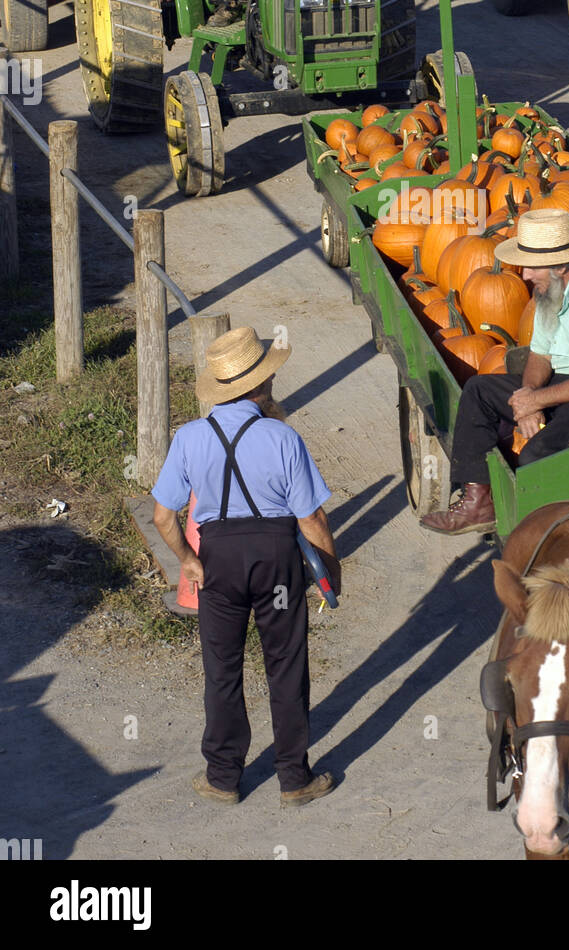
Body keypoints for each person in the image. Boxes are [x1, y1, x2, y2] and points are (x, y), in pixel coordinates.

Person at [152, 325, 340, 806]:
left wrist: (188, 561)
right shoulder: (283, 437)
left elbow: (162, 516)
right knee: (286, 665)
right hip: (275, 559)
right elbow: (312, 518)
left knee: (222, 667)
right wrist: (330, 573)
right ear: (264, 383)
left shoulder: (190, 437)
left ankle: (222, 777)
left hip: (219, 562)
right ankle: (294, 778)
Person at [420, 209, 569, 535]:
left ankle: (549, 533)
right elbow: (540, 355)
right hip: (568, 383)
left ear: (560, 265)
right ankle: (478, 503)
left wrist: (538, 399)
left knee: (535, 459)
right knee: (478, 390)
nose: (525, 274)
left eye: (531, 266)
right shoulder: (550, 291)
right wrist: (528, 397)